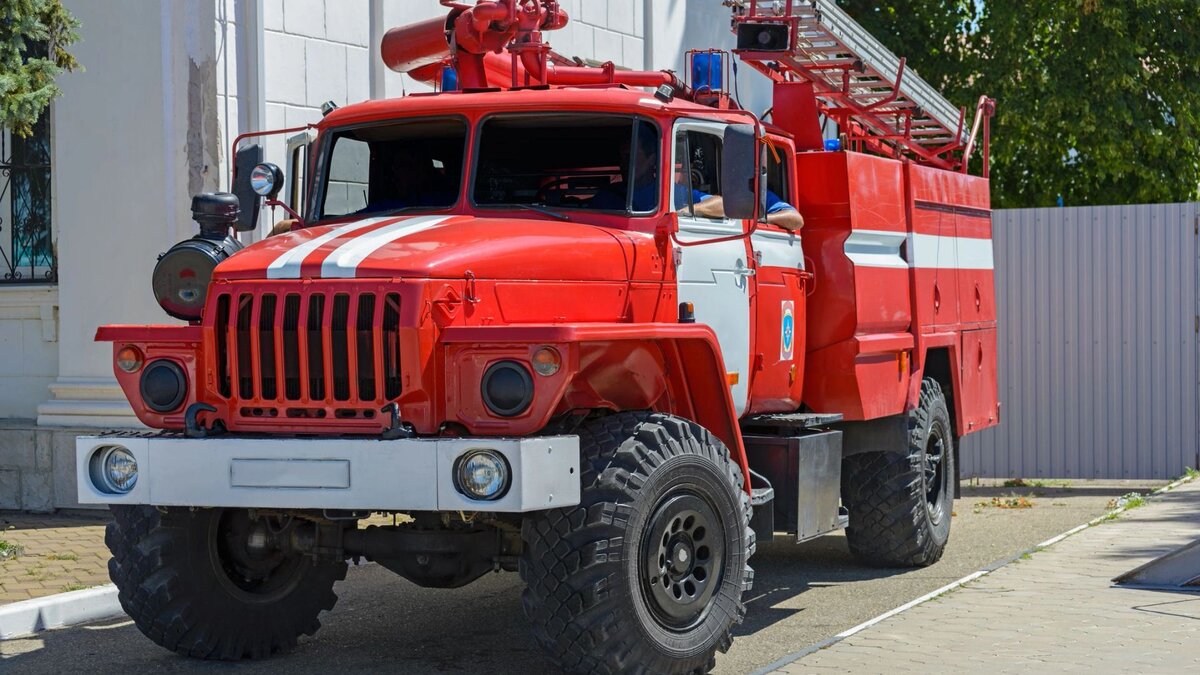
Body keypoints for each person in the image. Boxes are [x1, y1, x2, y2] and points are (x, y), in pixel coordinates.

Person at [591, 129, 805, 231]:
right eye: (622, 157)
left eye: (631, 157)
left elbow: (796, 220)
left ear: (651, 159)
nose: (624, 163)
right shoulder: (607, 197)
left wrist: (758, 218)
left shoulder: (675, 193)